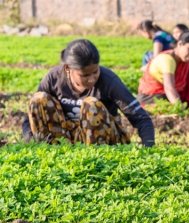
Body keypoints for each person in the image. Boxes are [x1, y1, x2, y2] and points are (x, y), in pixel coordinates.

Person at [22, 39, 155, 147]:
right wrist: (30, 142)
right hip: (66, 139)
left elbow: (141, 118)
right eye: (85, 75)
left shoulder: (109, 80)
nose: (92, 79)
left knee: (91, 105)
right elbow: (32, 115)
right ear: (68, 68)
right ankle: (50, 151)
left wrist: (148, 150)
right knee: (38, 99)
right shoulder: (54, 78)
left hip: (105, 142)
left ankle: (96, 158)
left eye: (95, 72)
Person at [137, 32, 189, 107]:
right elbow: (169, 88)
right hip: (151, 97)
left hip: (169, 96)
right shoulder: (167, 60)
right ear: (180, 44)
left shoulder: (185, 61)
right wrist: (179, 108)